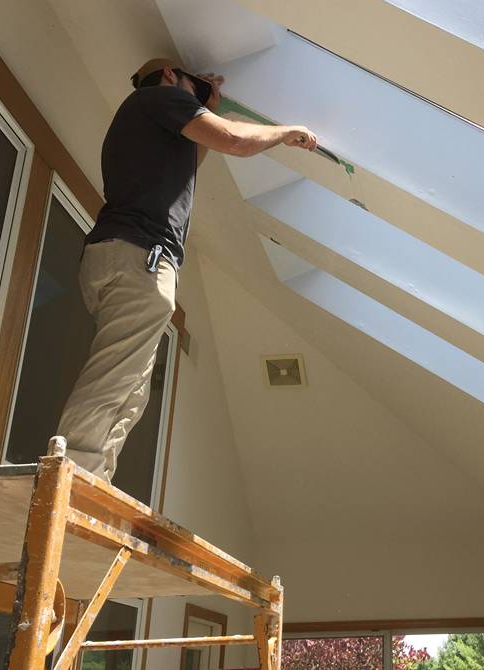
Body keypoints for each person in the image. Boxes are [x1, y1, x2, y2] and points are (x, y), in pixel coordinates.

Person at [55, 57, 318, 481]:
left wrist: (206, 110)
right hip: (140, 256)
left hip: (126, 256)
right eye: (191, 88)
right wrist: (285, 131)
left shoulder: (149, 125)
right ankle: (69, 478)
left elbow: (196, 155)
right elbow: (233, 139)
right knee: (115, 378)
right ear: (170, 77)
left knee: (130, 390)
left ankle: (91, 479)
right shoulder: (158, 97)